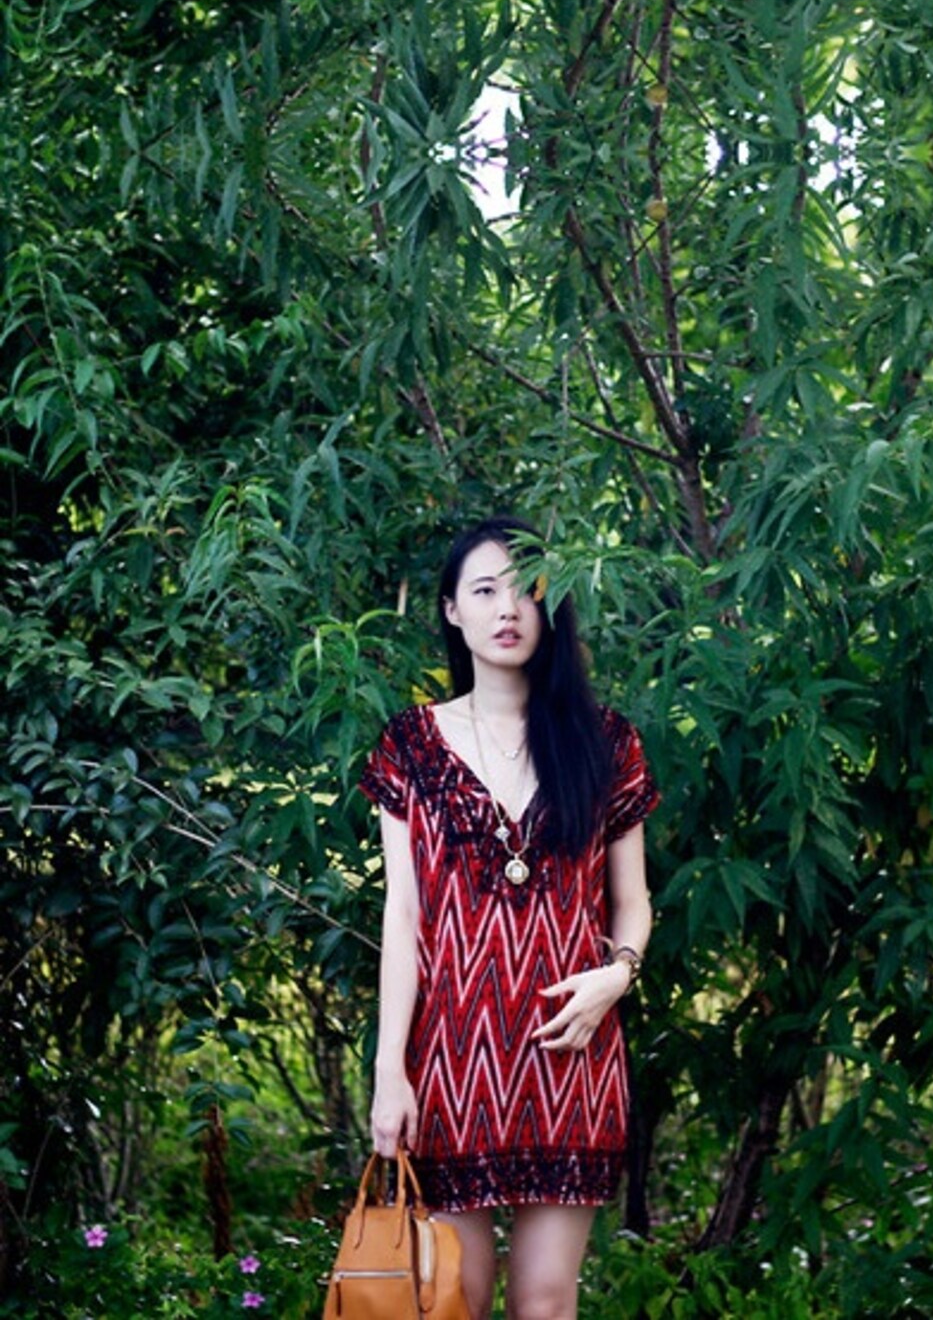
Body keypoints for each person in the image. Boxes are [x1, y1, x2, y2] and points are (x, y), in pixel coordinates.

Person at [359, 516, 658, 1320]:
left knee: (546, 1303)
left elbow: (632, 901)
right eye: (485, 590)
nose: (508, 608)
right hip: (450, 1061)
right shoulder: (412, 746)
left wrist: (616, 977)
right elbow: (402, 917)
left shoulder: (605, 742)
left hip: (571, 1055)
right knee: (453, 1300)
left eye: (526, 590)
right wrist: (390, 1071)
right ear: (452, 610)